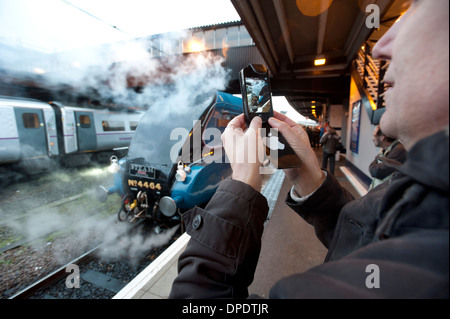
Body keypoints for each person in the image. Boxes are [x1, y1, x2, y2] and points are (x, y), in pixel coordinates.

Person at [170, 0, 448, 299]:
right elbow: (373, 241)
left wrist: (241, 184)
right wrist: (309, 179)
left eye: (415, 8)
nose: (381, 46)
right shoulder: (426, 198)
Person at [368, 125, 407, 190]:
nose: (372, 138)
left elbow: (377, 172)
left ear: (382, 138)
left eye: (374, 136)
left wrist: (373, 166)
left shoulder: (399, 150)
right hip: (377, 193)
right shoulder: (385, 150)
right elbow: (373, 168)